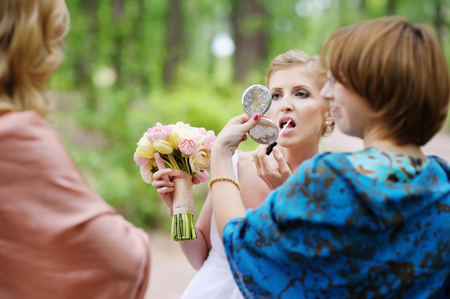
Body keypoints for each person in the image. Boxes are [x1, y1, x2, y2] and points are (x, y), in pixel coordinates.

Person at [209, 16, 450, 298]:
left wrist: (221, 156)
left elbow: (245, 253)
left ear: (375, 88)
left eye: (338, 80)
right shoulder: (442, 183)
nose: (326, 92)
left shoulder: (334, 180)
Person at [151, 49, 335, 298]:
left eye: (301, 93)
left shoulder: (336, 184)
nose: (285, 105)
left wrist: (288, 193)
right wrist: (179, 209)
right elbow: (201, 258)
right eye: (276, 96)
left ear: (329, 112)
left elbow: (313, 272)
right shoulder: (234, 164)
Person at [0, 1, 150, 298]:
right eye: (54, 38)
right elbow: (122, 260)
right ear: (30, 45)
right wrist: (135, 238)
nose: (58, 55)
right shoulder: (16, 137)